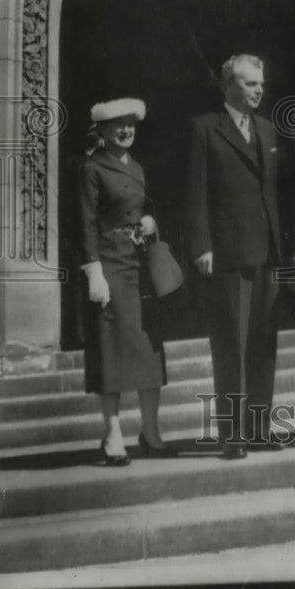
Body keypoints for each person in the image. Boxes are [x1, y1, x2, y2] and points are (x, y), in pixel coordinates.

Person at [185, 55, 295, 459]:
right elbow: (195, 193)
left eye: (261, 84)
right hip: (230, 253)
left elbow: (278, 193)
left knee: (263, 342)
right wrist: (201, 245)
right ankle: (231, 434)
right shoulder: (205, 129)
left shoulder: (267, 130)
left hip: (267, 251)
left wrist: (293, 242)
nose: (259, 91)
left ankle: (259, 428)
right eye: (251, 84)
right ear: (228, 86)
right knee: (230, 343)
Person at [78, 98, 172, 465]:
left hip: (139, 267)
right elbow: (84, 222)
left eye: (131, 123)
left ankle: (150, 432)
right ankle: (112, 435)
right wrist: (93, 270)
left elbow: (144, 206)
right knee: (112, 350)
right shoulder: (91, 168)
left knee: (149, 351)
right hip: (110, 265)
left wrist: (150, 220)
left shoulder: (137, 167)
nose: (126, 130)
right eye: (117, 124)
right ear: (101, 130)